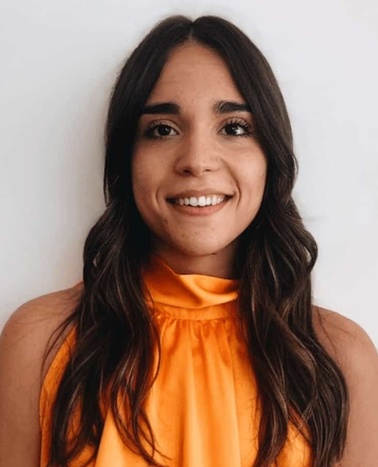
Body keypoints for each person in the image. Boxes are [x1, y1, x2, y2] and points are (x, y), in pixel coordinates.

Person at [0, 14, 377, 467]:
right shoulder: (42, 341)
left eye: (234, 127)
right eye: (162, 129)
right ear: (127, 159)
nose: (197, 161)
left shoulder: (340, 357)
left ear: (270, 157)